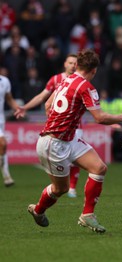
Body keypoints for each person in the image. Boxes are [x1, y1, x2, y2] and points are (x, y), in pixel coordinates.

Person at [27, 49, 122, 233]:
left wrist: (58, 120)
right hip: (54, 144)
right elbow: (99, 118)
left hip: (68, 139)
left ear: (77, 65)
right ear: (94, 70)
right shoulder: (86, 87)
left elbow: (48, 104)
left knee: (99, 168)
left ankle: (87, 215)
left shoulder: (64, 80)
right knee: (61, 189)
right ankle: (38, 210)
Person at [14, 54, 82, 198]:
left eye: (75, 63)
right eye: (70, 62)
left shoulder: (81, 81)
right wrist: (25, 107)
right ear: (65, 64)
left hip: (76, 126)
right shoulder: (56, 80)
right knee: (63, 158)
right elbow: (42, 97)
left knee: (76, 157)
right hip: (58, 128)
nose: (72, 66)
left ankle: (72, 187)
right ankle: (60, 185)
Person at [0, 74, 19, 187]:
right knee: (3, 144)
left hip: (1, 120)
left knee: (2, 147)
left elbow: (9, 99)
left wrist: (18, 109)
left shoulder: (5, 80)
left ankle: (7, 177)